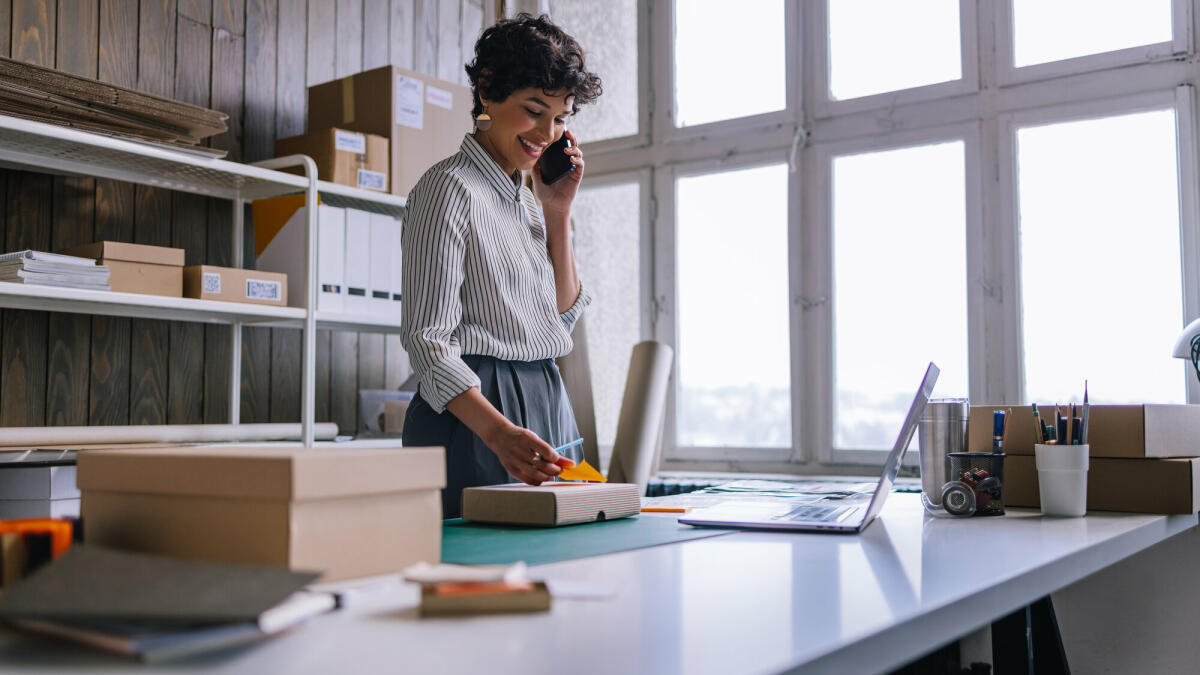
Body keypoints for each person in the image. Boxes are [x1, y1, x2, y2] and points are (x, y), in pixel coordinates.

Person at [401, 13, 603, 519]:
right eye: (534, 110)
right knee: (475, 573)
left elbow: (558, 322)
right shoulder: (447, 189)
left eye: (560, 118)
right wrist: (497, 432)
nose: (547, 133)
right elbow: (428, 341)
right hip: (475, 414)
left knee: (556, 571)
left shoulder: (531, 199)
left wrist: (558, 212)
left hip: (545, 400)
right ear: (487, 92)